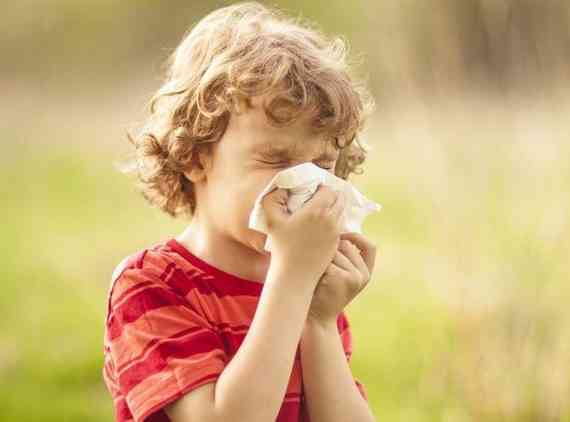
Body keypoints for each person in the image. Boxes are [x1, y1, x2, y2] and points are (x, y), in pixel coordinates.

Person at [101, 2, 377, 421]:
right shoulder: (152, 288)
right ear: (194, 157)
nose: (304, 185)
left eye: (322, 166)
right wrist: (293, 280)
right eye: (275, 160)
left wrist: (320, 323)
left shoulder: (309, 290)